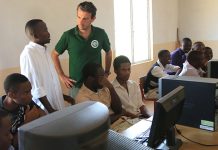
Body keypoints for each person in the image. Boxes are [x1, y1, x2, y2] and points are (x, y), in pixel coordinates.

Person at [51, 1, 112, 99]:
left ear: (93, 19)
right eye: (78, 17)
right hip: (76, 85)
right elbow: (54, 54)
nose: (80, 22)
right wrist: (61, 75)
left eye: (85, 19)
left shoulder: (100, 33)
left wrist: (106, 72)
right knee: (77, 113)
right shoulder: (68, 35)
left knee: (101, 111)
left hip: (97, 84)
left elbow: (108, 52)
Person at [20, 19, 74, 113]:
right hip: (46, 109)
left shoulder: (44, 51)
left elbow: (51, 83)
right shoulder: (29, 54)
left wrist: (65, 97)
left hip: (56, 105)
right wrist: (51, 110)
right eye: (45, 30)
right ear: (36, 35)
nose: (49, 33)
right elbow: (36, 88)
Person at [0, 73, 46, 149]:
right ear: (12, 95)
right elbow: (13, 146)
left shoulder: (25, 101)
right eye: (26, 92)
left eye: (30, 91)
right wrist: (27, 122)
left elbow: (44, 117)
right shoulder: (1, 115)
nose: (31, 96)